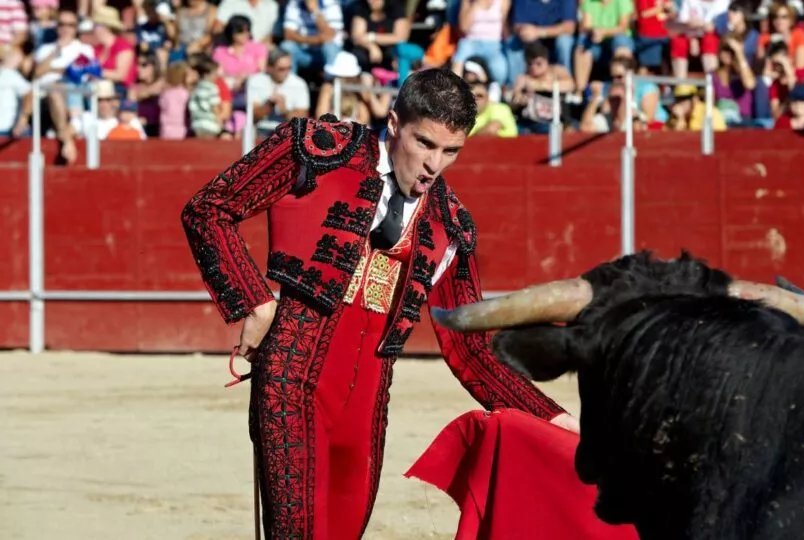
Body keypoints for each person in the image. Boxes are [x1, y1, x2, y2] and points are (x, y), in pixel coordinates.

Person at [181, 68, 578, 540]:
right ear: (393, 124)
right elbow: (208, 209)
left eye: (451, 151)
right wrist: (255, 302)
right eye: (424, 144)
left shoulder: (449, 224)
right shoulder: (319, 149)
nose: (434, 165)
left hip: (367, 403)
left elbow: (472, 349)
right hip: (292, 381)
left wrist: (553, 416)